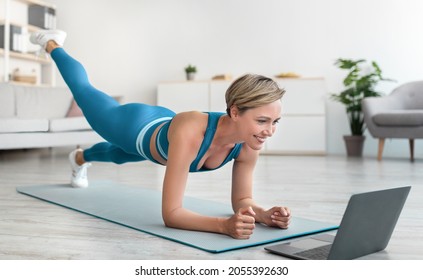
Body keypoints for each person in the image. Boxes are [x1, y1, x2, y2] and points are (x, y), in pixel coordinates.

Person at [30, 30, 291, 239]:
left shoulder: (248, 144)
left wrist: (263, 214)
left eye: (275, 121)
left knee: (120, 156)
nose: (269, 131)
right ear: (235, 112)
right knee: (84, 90)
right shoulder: (193, 131)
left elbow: (242, 201)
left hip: (161, 140)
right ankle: (52, 43)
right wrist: (223, 226)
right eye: (262, 121)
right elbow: (172, 214)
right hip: (134, 125)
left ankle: (79, 158)